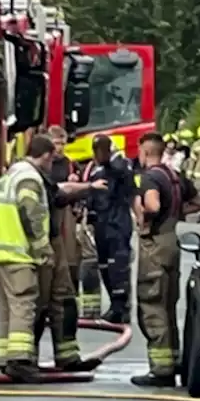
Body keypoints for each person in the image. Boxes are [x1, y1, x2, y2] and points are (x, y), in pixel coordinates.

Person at [131, 132, 200, 386]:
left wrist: (143, 211)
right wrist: (177, 212)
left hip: (155, 246)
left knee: (152, 307)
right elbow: (199, 202)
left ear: (145, 152)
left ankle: (160, 370)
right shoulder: (174, 176)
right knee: (168, 305)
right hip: (173, 243)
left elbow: (153, 205)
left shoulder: (150, 177)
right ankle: (173, 361)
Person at [0, 133, 57, 382]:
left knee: (7, 307)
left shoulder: (12, 173)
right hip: (18, 253)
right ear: (46, 155)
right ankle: (20, 360)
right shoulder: (29, 177)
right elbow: (31, 213)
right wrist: (42, 248)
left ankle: (4, 356)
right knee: (24, 304)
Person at [42, 126, 106, 370]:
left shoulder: (69, 166)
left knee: (65, 295)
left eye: (61, 144)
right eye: (55, 144)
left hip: (65, 233)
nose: (58, 149)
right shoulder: (38, 172)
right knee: (37, 303)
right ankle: (25, 359)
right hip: (45, 239)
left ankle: (67, 354)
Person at [85, 134, 135, 324]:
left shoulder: (120, 166)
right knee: (104, 265)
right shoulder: (95, 170)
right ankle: (115, 304)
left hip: (117, 223)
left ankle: (121, 307)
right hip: (101, 224)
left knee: (118, 265)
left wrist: (113, 158)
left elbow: (125, 177)